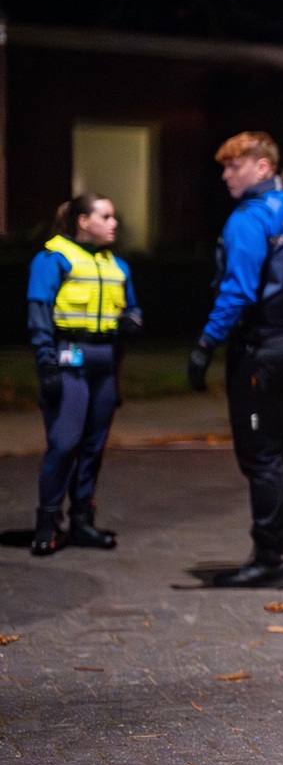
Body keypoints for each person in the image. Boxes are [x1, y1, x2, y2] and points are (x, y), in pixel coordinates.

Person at [188, 132, 283, 589]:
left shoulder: (249, 219)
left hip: (261, 351)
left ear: (262, 167)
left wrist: (205, 345)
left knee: (261, 457)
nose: (226, 175)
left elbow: (238, 291)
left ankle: (269, 560)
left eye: (235, 166)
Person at [27, 194, 141, 556]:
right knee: (64, 443)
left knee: (93, 445)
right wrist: (46, 362)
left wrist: (132, 320)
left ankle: (82, 521)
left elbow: (132, 308)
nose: (114, 223)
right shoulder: (53, 259)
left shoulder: (117, 266)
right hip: (69, 356)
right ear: (83, 221)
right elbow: (39, 313)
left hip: (104, 361)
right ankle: (47, 522)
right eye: (105, 216)